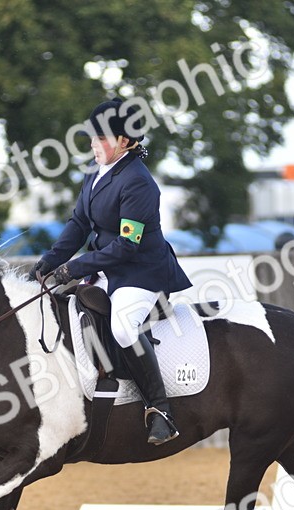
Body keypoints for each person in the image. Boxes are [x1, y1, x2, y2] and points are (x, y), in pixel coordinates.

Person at [34, 98, 192, 445]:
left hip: (141, 273)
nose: (93, 144)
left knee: (122, 326)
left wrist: (74, 267)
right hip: (106, 271)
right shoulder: (95, 173)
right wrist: (50, 261)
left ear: (124, 141)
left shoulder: (139, 183)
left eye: (100, 138)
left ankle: (161, 410)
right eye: (92, 137)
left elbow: (126, 246)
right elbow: (79, 223)